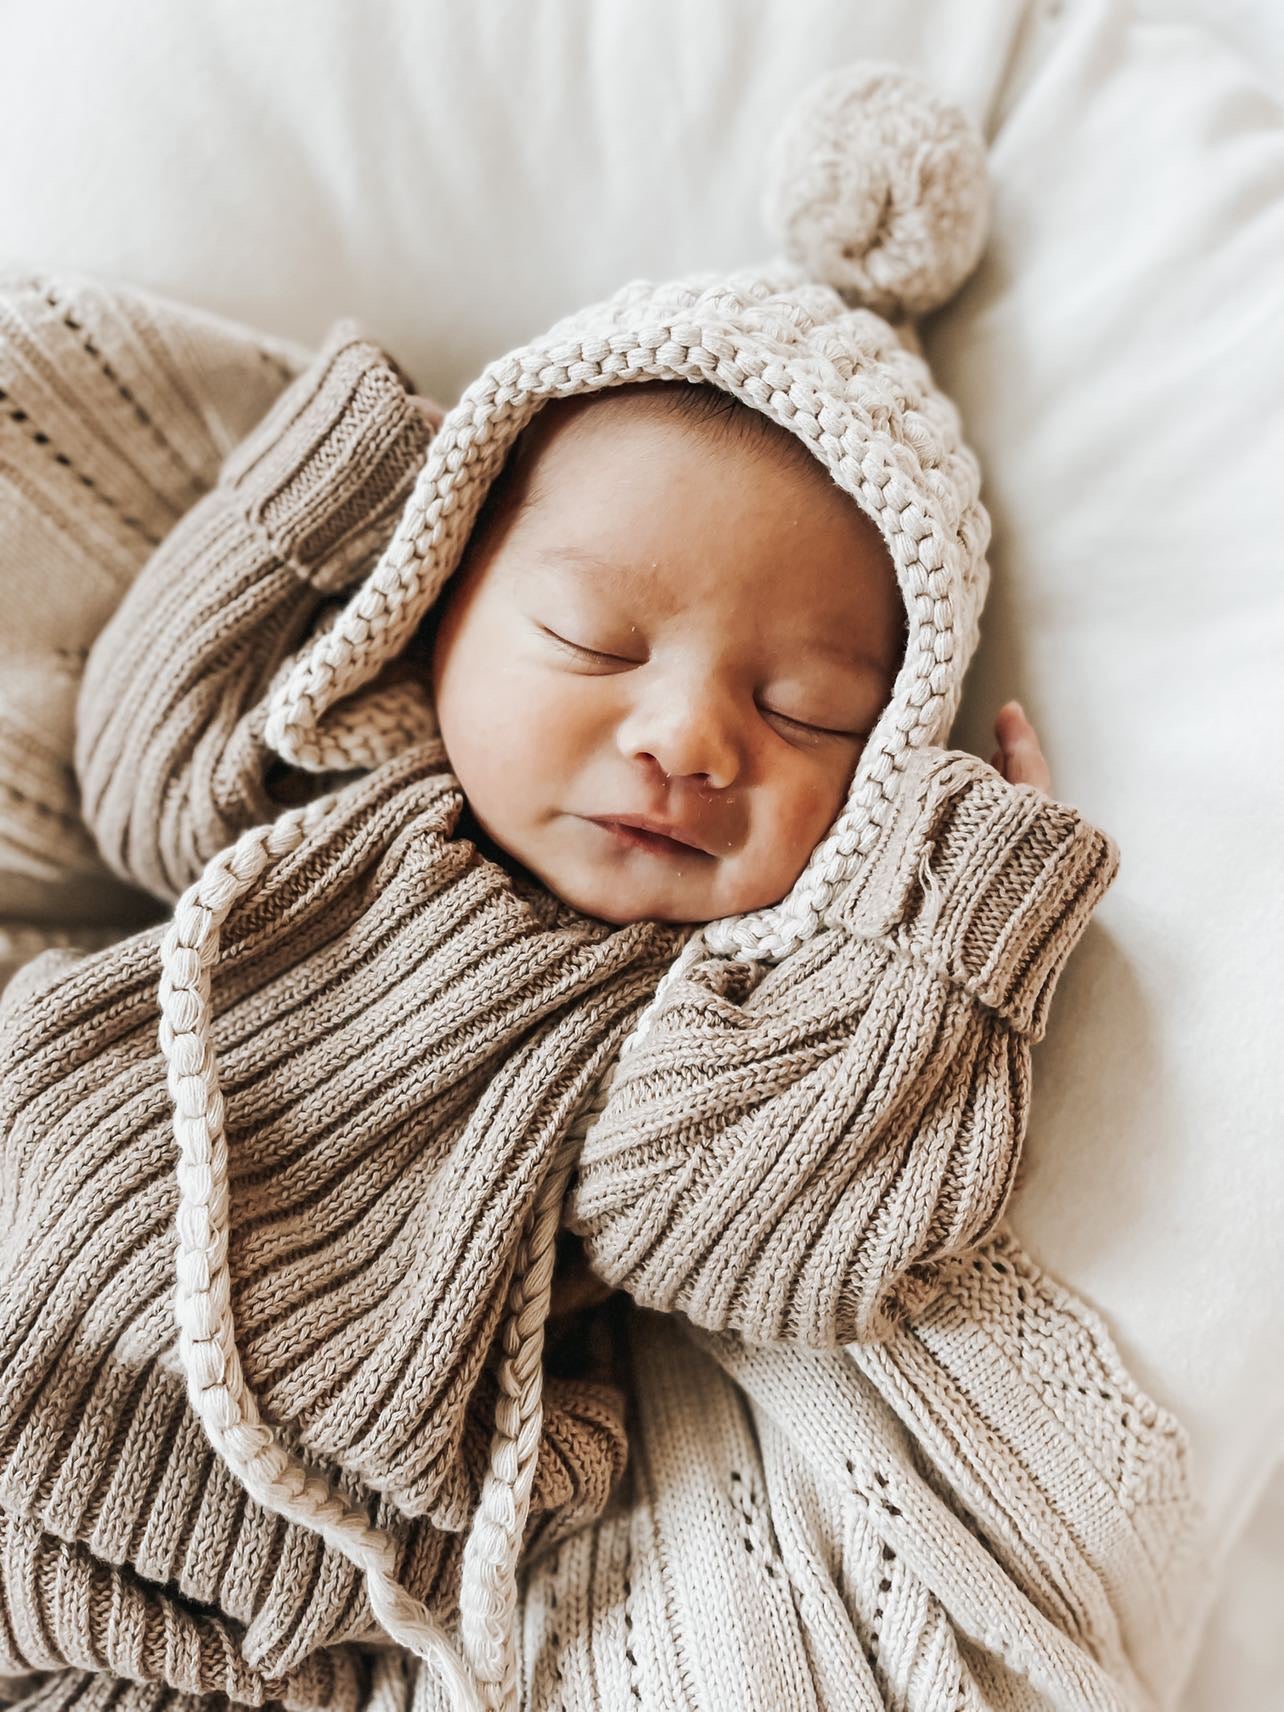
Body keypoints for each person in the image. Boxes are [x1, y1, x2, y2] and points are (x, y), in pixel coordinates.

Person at [0, 61, 1199, 1712]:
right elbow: (138, 779)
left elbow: (749, 1242)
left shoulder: (695, 1014)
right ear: (443, 601)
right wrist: (341, 490)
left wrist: (942, 940)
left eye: (806, 713)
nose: (689, 738)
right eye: (591, 639)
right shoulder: (351, 783)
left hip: (224, 1546)